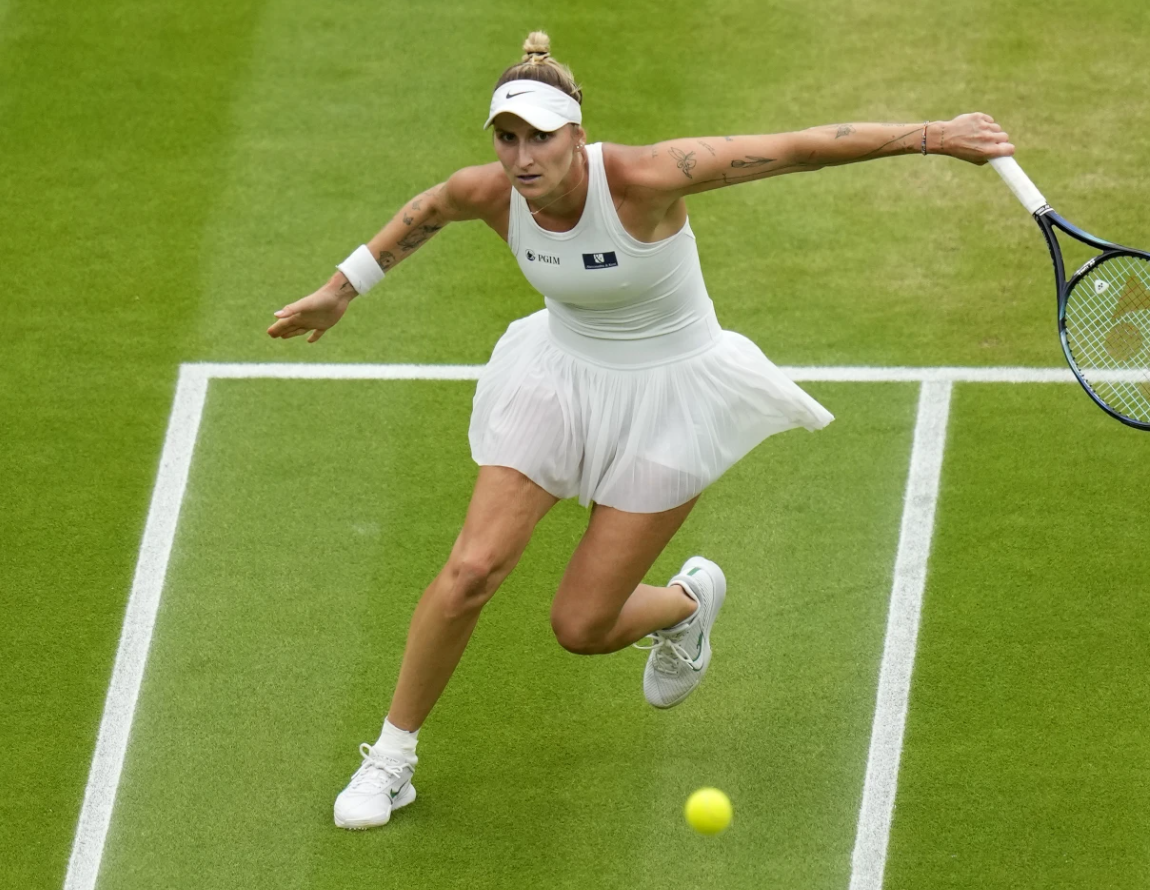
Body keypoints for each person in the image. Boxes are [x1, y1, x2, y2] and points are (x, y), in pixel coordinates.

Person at [267, 31, 1014, 831]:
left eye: (540, 138)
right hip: (557, 381)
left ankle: (686, 605)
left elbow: (797, 149)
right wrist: (342, 289)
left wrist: (933, 135)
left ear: (577, 137)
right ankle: (392, 760)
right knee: (471, 570)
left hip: (671, 397)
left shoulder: (648, 178)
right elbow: (425, 212)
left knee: (581, 627)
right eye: (507, 137)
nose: (522, 158)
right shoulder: (486, 193)